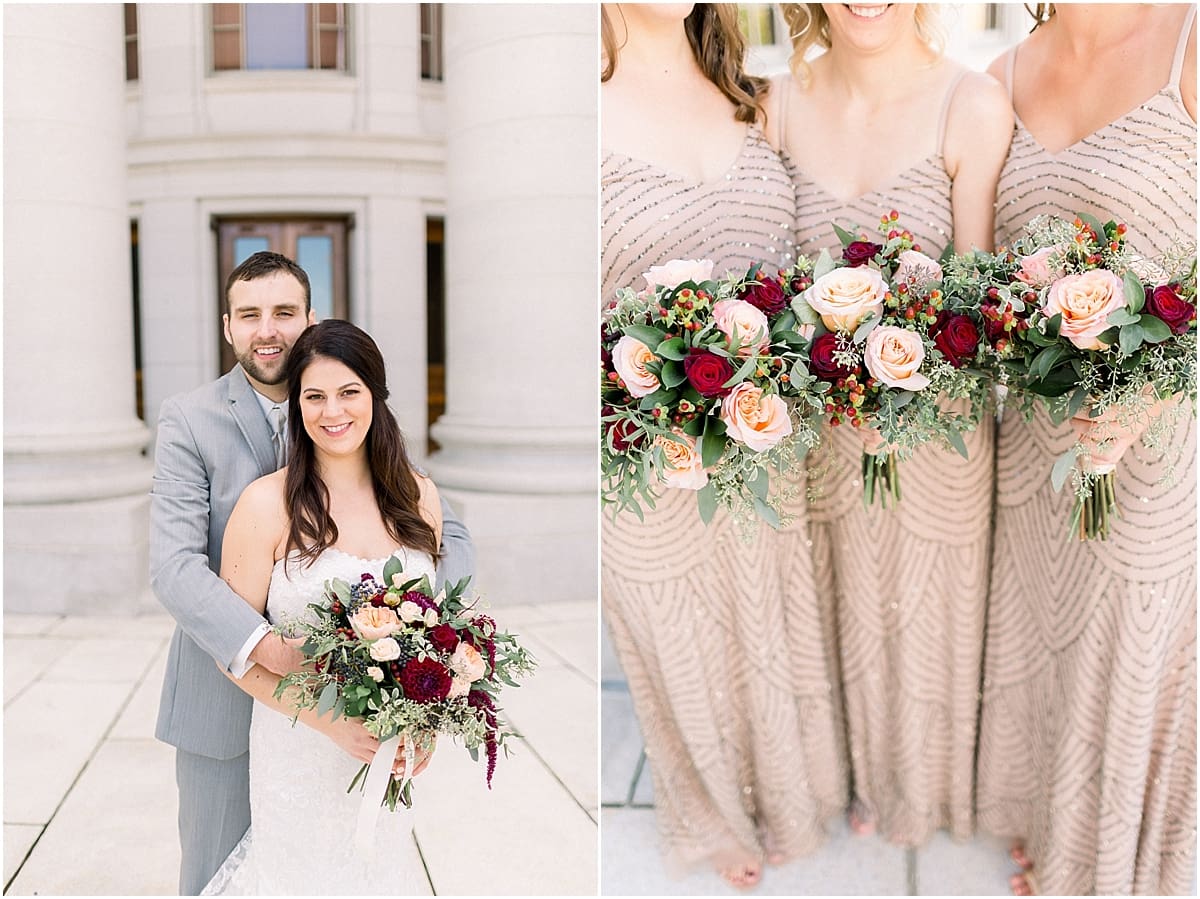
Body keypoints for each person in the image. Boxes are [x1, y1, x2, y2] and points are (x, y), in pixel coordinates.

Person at [601, 3, 846, 888]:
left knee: (767, 617)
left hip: (763, 441)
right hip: (642, 455)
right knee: (679, 634)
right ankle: (706, 810)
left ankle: (792, 789)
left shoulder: (754, 95)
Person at [150, 251, 474, 895]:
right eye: (249, 315)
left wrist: (435, 634)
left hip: (364, 706)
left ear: (309, 320)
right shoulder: (189, 418)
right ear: (228, 327)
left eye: (283, 313)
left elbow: (446, 533)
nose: (266, 329)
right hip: (229, 691)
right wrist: (269, 649)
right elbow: (174, 566)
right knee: (220, 875)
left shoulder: (351, 411)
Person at [772, 3, 1012, 847]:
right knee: (839, 607)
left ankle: (926, 784)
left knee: (922, 613)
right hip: (819, 441)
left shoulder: (972, 105)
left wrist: (901, 391)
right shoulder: (774, 106)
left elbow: (977, 315)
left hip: (935, 436)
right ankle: (853, 775)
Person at [978, 4, 1196, 894]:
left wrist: (1149, 388)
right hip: (1036, 443)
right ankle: (1048, 814)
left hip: (1156, 445)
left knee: (1123, 640)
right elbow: (988, 278)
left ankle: (1103, 861)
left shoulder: (1190, 39)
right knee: (1043, 631)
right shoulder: (1000, 76)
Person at [200, 319, 444, 893]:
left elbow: (434, 635)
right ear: (298, 406)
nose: (332, 411)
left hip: (385, 756)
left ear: (375, 396)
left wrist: (424, 724)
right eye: (314, 396)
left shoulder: (419, 495)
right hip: (299, 747)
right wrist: (326, 721)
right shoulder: (266, 505)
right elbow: (228, 650)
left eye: (348, 392)